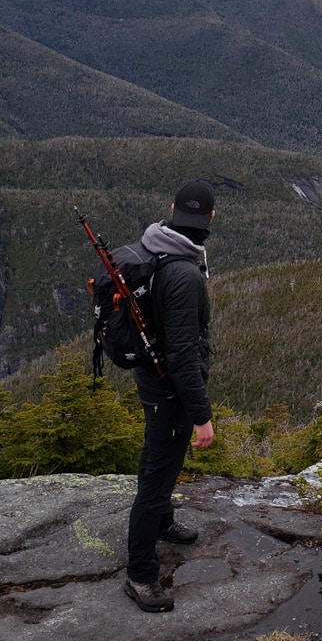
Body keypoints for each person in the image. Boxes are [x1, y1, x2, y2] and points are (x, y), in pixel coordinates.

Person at [124, 179, 217, 613]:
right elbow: (182, 354)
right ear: (211, 218)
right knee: (160, 473)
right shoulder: (183, 272)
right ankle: (141, 575)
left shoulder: (152, 247)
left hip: (151, 377)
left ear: (171, 208)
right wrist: (201, 416)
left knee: (155, 454)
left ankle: (162, 523)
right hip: (169, 387)